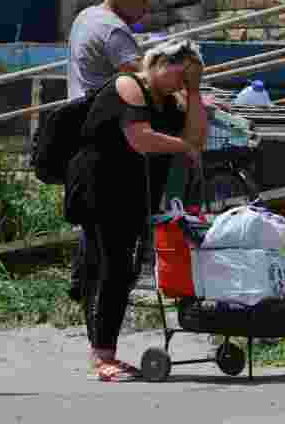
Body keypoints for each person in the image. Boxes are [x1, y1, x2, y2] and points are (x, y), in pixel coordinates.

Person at [64, 38, 207, 381]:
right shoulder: (128, 86)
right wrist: (182, 147)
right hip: (100, 189)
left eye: (187, 78)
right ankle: (103, 357)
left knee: (121, 271)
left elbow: (196, 138)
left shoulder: (171, 99)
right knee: (112, 268)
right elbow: (139, 137)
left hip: (134, 194)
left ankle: (103, 351)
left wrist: (194, 92)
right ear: (159, 63)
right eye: (180, 74)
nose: (181, 83)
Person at [65, 0, 151, 301]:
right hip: (107, 132)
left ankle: (83, 279)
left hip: (80, 124)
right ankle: (106, 282)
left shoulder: (86, 17)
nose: (146, 10)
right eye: (143, 1)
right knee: (114, 210)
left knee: (94, 210)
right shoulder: (115, 31)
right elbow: (144, 79)